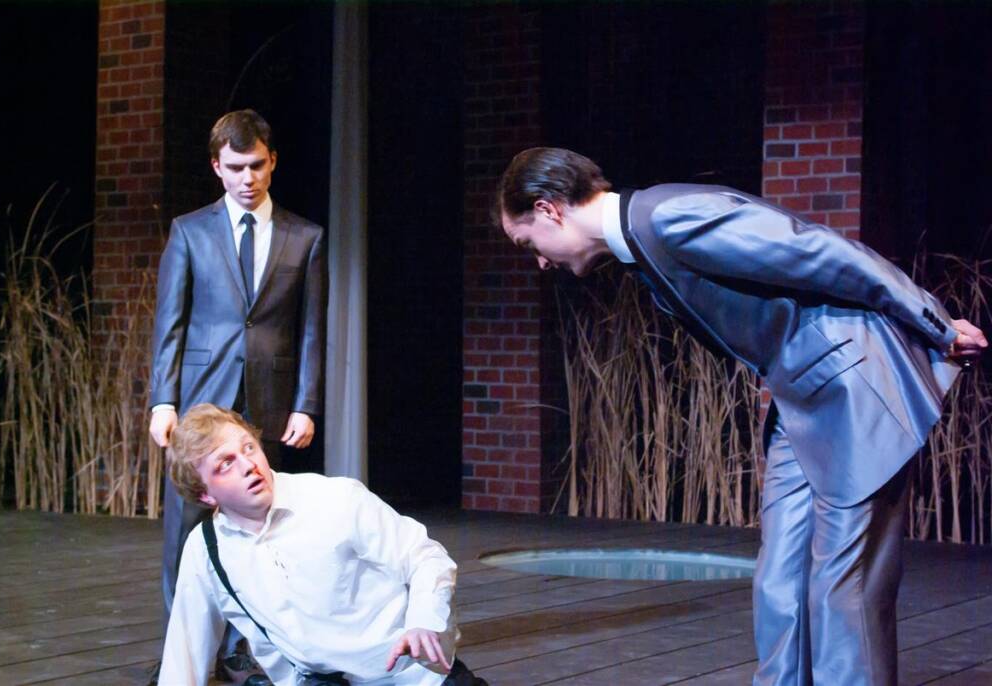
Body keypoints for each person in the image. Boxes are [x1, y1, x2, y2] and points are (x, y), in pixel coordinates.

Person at [495, 147, 987, 685]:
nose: (540, 261)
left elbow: (821, 252)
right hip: (799, 397)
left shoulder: (670, 217)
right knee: (781, 580)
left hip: (852, 389)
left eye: (527, 245)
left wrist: (936, 323)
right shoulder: (641, 243)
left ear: (549, 210)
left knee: (843, 587)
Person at [148, 110, 326, 675]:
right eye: (234, 168)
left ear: (272, 161)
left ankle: (244, 653)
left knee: (258, 526)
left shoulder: (306, 237)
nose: (246, 178)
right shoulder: (190, 231)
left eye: (255, 165)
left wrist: (307, 403)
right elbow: (170, 323)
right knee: (186, 526)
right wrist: (162, 400)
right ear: (216, 168)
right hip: (202, 400)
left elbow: (312, 328)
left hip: (269, 403)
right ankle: (184, 658)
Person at [159, 404, 486, 686]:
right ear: (205, 494)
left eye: (248, 448)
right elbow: (184, 654)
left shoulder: (333, 499)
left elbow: (424, 556)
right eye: (225, 463)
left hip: (409, 677)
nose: (249, 466)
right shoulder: (207, 551)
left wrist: (423, 621)